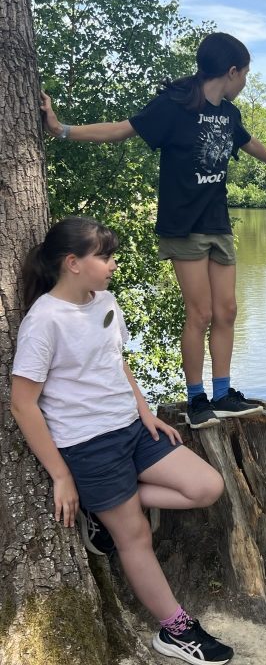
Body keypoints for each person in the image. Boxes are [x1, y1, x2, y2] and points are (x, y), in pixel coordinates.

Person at [39, 32, 266, 430]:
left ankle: (223, 393)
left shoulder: (229, 116)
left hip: (217, 222)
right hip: (184, 225)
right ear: (231, 72)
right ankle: (197, 401)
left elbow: (249, 144)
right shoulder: (174, 107)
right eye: (245, 74)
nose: (245, 82)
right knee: (200, 313)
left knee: (227, 310)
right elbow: (119, 129)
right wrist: (61, 129)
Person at [11, 217, 234, 664]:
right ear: (72, 263)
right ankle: (174, 630)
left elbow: (116, 362)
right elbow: (22, 403)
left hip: (131, 430)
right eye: (105, 256)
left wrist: (145, 411)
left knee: (207, 486)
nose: (113, 264)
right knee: (134, 537)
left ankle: (105, 504)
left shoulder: (106, 300)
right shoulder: (44, 320)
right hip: (88, 445)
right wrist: (60, 474)